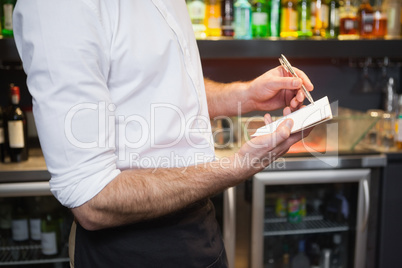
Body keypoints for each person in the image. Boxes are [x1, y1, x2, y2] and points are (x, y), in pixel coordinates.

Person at [13, 1, 313, 267]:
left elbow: (168, 88)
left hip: (200, 229)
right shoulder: (57, 7)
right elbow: (92, 198)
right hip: (126, 250)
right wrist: (236, 166)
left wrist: (246, 95)